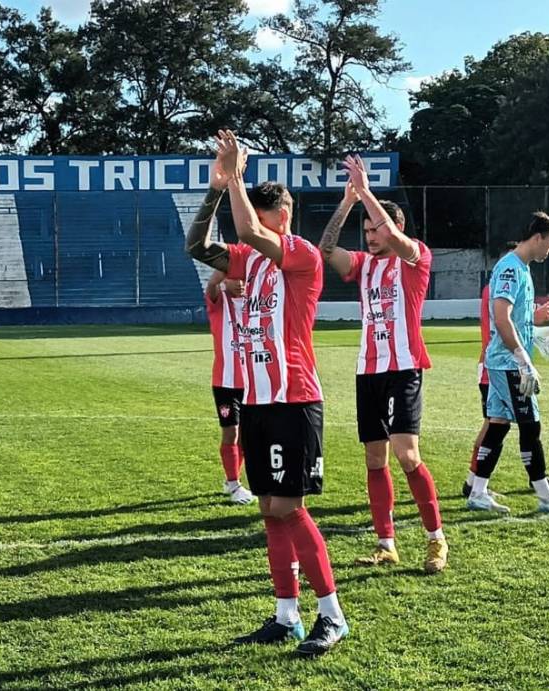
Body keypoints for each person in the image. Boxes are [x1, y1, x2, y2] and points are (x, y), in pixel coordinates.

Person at [186, 130, 347, 657]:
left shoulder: (299, 255)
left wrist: (234, 176)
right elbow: (196, 246)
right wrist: (216, 189)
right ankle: (286, 616)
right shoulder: (245, 259)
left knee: (292, 508)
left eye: (274, 212)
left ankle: (333, 615)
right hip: (257, 399)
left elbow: (247, 229)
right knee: (270, 510)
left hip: (295, 396)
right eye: (285, 210)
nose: (287, 217)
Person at [317, 155, 447, 574]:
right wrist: (347, 202)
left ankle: (435, 540)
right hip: (367, 370)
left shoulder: (416, 258)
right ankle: (386, 543)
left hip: (403, 368)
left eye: (376, 229)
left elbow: (396, 236)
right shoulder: (363, 264)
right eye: (367, 230)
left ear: (395, 228)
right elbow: (326, 250)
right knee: (375, 460)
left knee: (406, 455)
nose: (371, 236)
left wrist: (368, 193)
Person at [466, 212, 549, 515]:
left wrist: (536, 334)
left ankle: (478, 491)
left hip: (502, 361)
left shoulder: (520, 268)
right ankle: (545, 493)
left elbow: (517, 319)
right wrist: (523, 359)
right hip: (507, 364)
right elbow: (502, 317)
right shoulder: (511, 268)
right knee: (530, 426)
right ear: (537, 238)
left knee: (497, 425)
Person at [462, 284, 549, 500]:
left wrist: (534, 323)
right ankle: (538, 484)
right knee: (504, 424)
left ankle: (475, 484)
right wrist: (534, 320)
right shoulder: (502, 284)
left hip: (500, 364)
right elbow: (503, 325)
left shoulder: (505, 282)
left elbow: (512, 323)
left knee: (498, 423)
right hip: (498, 366)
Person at [205, 270, 253, 504]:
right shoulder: (219, 300)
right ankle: (233, 484)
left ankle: (232, 481)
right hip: (225, 382)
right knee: (231, 431)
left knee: (246, 435)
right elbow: (211, 287)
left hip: (253, 380)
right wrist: (224, 280)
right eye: (237, 278)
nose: (241, 283)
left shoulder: (254, 299)